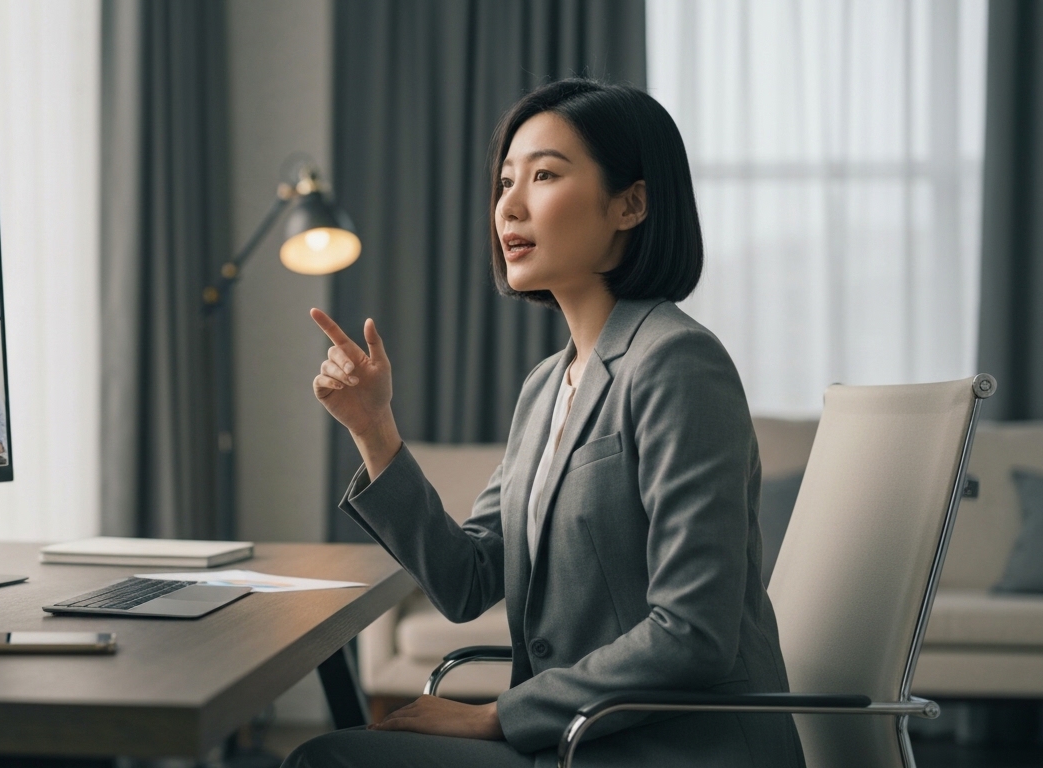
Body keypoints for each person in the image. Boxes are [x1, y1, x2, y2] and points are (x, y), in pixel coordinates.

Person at [289, 79, 805, 768]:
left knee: (333, 760)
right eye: (505, 180)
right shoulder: (545, 386)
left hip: (671, 745)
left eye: (544, 175)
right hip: (576, 738)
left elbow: (693, 633)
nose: (510, 203)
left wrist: (497, 716)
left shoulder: (679, 363)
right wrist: (374, 430)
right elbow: (467, 580)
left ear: (632, 203)